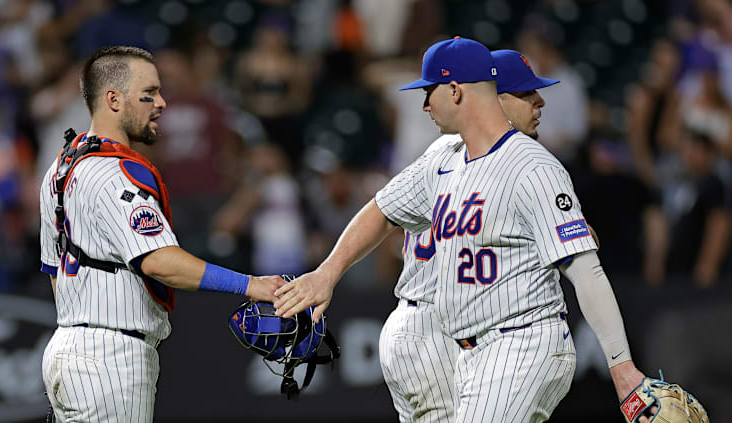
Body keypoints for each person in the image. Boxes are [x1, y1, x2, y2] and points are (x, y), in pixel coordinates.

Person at [275, 37, 653, 422]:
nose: (424, 105)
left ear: (455, 91)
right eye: (526, 94)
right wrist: (327, 273)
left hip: (521, 340)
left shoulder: (532, 167)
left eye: (429, 92)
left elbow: (586, 271)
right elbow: (382, 208)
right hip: (469, 348)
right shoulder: (444, 157)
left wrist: (622, 370)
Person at [38, 46, 284, 422]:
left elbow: (55, 272)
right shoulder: (113, 173)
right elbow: (158, 261)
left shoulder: (60, 168)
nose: (162, 102)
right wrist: (250, 285)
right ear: (114, 99)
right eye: (149, 93)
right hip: (111, 357)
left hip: (69, 347)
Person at [378, 48, 565, 422]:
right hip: (433, 328)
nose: (538, 102)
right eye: (525, 94)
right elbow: (379, 212)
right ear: (493, 98)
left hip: (431, 327)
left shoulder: (462, 156)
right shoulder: (458, 155)